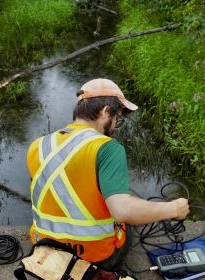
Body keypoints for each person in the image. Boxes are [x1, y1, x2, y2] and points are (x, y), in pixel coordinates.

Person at [27, 78, 190, 269]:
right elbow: (123, 211)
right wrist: (173, 209)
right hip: (91, 257)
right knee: (127, 222)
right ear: (105, 112)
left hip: (43, 249)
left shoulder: (38, 145)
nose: (115, 127)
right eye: (117, 119)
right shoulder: (107, 148)